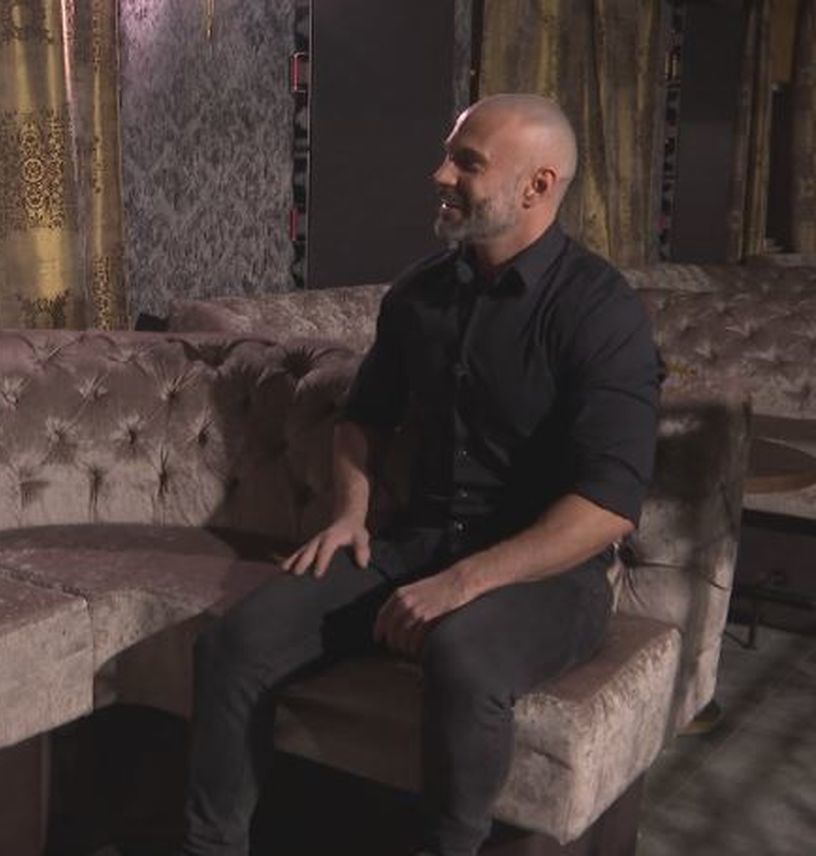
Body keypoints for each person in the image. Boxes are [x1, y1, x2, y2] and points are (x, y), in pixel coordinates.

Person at [180, 94, 662, 855]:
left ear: (537, 186)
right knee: (234, 645)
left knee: (462, 656)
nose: (440, 175)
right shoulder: (419, 292)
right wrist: (349, 514)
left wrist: (465, 583)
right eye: (448, 154)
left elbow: (609, 502)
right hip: (416, 541)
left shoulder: (601, 312)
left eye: (467, 163)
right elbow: (363, 418)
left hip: (549, 572)